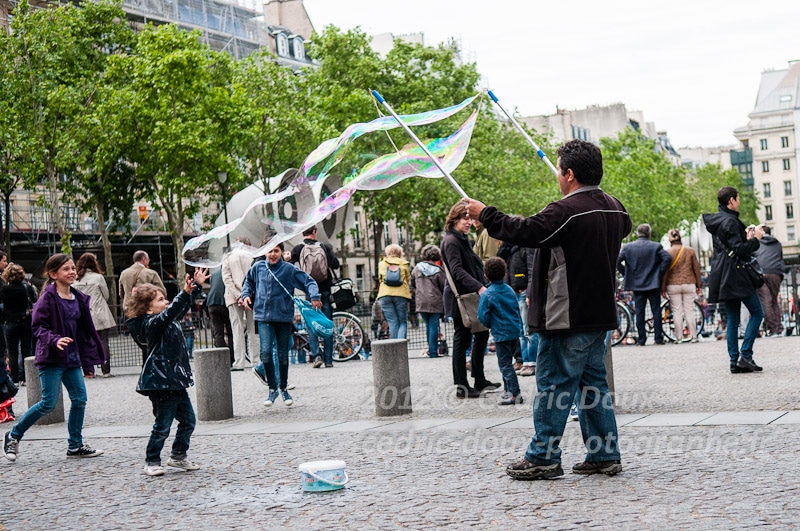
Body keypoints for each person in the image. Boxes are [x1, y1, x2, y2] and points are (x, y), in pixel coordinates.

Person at [465, 139, 631, 480]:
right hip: (599, 314)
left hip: (566, 315)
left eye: (559, 170)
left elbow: (526, 231)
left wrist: (485, 214)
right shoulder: (616, 208)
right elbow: (616, 226)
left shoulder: (566, 211)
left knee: (554, 386)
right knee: (592, 386)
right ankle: (604, 453)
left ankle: (543, 455)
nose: (557, 176)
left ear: (569, 174)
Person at [3, 253, 106, 463]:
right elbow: (38, 326)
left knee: (80, 399)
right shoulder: (47, 298)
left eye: (73, 268)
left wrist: (88, 361)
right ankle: (13, 435)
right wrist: (55, 340)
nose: (72, 272)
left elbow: (84, 331)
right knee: (48, 403)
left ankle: (75, 445)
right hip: (51, 357)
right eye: (66, 269)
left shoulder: (78, 297)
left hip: (72, 358)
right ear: (53, 274)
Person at [125, 267, 209, 477]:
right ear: (148, 308)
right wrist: (184, 293)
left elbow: (178, 310)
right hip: (160, 382)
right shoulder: (152, 324)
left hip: (175, 381)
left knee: (188, 421)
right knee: (162, 425)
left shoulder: (165, 320)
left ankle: (178, 456)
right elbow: (172, 311)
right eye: (161, 300)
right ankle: (152, 460)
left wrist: (195, 288)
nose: (166, 303)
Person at [242, 242, 320, 407]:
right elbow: (247, 282)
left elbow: (309, 282)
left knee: (283, 356)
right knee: (266, 353)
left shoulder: (289, 270)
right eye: (269, 251)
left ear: (282, 252)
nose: (272, 254)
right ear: (265, 252)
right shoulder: (258, 268)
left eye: (276, 251)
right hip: (263, 317)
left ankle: (283, 388)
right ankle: (272, 390)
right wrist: (246, 294)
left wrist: (314, 296)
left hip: (283, 318)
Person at [441, 201, 500, 399]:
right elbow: (457, 271)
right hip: (461, 298)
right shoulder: (451, 241)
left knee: (481, 335)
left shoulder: (461, 239)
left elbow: (473, 267)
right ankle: (461, 386)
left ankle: (479, 378)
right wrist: (480, 287)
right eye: (465, 218)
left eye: (470, 218)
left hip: (472, 295)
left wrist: (485, 283)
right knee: (462, 339)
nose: (469, 222)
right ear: (454, 219)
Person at [703, 186, 765, 374]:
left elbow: (731, 246)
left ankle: (733, 360)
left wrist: (745, 239)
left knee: (732, 318)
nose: (739, 201)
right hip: (736, 274)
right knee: (757, 313)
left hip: (723, 273)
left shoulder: (718, 221)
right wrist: (755, 239)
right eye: (738, 198)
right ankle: (745, 355)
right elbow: (739, 250)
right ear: (731, 201)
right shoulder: (730, 221)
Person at [290, 225, 340, 368]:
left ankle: (316, 355)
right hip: (324, 290)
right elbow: (335, 265)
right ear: (314, 232)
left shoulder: (298, 248)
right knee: (327, 323)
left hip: (309, 291)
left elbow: (288, 266)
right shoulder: (323, 246)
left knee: (311, 323)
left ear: (303, 234)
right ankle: (329, 359)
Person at [478, 257, 524, 406]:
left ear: (485, 275)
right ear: (505, 273)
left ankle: (515, 393)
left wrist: (490, 324)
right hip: (514, 330)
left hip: (500, 333)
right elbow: (516, 309)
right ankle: (508, 390)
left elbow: (482, 315)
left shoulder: (487, 294)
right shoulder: (510, 290)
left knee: (504, 364)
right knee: (509, 362)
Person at [617, 224, 671, 345]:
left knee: (639, 312)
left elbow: (617, 261)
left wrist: (627, 273)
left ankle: (641, 339)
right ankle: (658, 338)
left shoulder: (628, 247)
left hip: (637, 284)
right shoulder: (655, 246)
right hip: (653, 283)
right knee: (656, 311)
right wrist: (659, 272)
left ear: (637, 233)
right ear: (649, 233)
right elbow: (667, 258)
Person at [119, 251, 166, 365]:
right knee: (150, 341)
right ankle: (150, 365)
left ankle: (146, 365)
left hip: (130, 311)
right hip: (147, 311)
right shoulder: (150, 273)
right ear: (144, 259)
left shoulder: (124, 273)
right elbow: (162, 291)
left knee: (141, 342)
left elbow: (121, 293)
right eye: (148, 259)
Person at [74, 253, 117, 378]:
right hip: (100, 312)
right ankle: (106, 371)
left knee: (85, 342)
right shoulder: (98, 278)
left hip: (83, 314)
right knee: (103, 341)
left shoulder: (76, 279)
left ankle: (89, 371)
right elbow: (106, 295)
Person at [222, 238, 259, 371]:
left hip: (233, 297)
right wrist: (246, 295)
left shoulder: (228, 257)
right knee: (253, 329)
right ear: (248, 245)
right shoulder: (252, 257)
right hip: (251, 297)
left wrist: (238, 295)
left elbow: (226, 279)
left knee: (237, 329)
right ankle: (256, 360)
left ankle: (239, 362)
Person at [661, 229, 703, 343]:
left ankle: (678, 338)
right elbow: (696, 269)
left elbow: (664, 272)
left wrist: (663, 288)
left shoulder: (667, 252)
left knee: (677, 311)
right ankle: (694, 337)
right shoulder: (690, 251)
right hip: (689, 283)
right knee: (689, 310)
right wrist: (699, 285)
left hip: (673, 284)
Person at [0, 263, 37, 386]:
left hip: (10, 322)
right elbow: (34, 301)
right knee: (27, 350)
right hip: (25, 321)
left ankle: (14, 378)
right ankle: (26, 377)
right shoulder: (27, 288)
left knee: (12, 351)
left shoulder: (5, 289)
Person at [410, 244, 446, 357]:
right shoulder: (438, 271)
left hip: (421, 301)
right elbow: (443, 286)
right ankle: (433, 352)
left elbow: (412, 283)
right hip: (435, 301)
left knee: (428, 326)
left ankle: (430, 350)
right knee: (434, 326)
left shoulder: (417, 268)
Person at [755, 226, 786, 337]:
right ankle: (778, 329)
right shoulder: (777, 243)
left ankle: (772, 329)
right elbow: (781, 258)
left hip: (761, 273)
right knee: (774, 301)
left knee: (765, 302)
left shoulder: (757, 242)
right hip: (775, 273)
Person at [376, 244, 412, 340]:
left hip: (385, 294)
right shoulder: (404, 263)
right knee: (402, 322)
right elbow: (407, 279)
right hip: (401, 294)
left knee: (392, 321)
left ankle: (394, 348)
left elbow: (380, 279)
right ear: (400, 253)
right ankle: (401, 347)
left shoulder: (382, 263)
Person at [206, 268, 233, 362]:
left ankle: (222, 359)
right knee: (231, 331)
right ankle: (231, 357)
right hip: (225, 302)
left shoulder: (214, 274)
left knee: (218, 332)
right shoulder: (230, 272)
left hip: (211, 303)